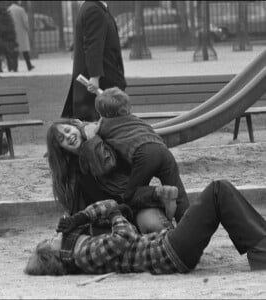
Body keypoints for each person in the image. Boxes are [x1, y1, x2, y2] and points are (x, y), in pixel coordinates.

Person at [24, 180, 266, 276]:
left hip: (169, 247)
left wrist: (82, 216)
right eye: (49, 241)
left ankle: (261, 244)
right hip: (170, 252)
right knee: (217, 190)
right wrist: (117, 213)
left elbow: (109, 205)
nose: (54, 236)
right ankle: (261, 250)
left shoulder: (84, 246)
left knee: (218, 192)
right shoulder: (83, 255)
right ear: (54, 254)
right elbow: (124, 236)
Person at [46, 119, 189, 234]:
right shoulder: (74, 171)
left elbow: (106, 165)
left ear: (76, 126)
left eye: (67, 130)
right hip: (110, 217)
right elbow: (78, 206)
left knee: (155, 227)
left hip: (135, 205)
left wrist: (92, 139)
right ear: (61, 148)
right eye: (61, 139)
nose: (68, 136)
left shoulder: (103, 140)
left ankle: (161, 203)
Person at [92, 86, 188, 221]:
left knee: (130, 195)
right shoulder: (136, 119)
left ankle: (160, 193)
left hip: (144, 154)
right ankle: (187, 225)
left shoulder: (105, 126)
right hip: (163, 150)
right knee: (179, 194)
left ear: (103, 114)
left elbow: (93, 135)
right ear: (127, 108)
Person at [61, 1, 126, 121]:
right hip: (101, 81)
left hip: (104, 78)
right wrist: (95, 76)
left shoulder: (95, 7)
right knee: (105, 126)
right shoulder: (94, 9)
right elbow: (93, 46)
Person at [7, 1, 35, 72]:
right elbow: (25, 22)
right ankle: (29, 66)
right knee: (25, 51)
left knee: (14, 51)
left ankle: (14, 67)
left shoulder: (8, 9)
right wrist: (27, 28)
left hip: (12, 32)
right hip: (21, 32)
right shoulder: (21, 10)